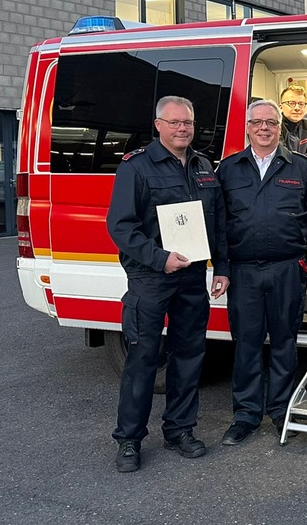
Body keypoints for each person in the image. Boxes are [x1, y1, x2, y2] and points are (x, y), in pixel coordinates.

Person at [106, 95, 230, 473]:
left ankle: (180, 430)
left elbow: (217, 222)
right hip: (151, 278)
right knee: (143, 360)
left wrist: (222, 267)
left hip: (192, 276)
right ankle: (129, 439)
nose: (182, 129)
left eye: (187, 122)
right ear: (158, 125)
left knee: (189, 357)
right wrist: (160, 258)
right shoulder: (137, 167)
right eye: (174, 122)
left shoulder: (203, 166)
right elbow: (121, 226)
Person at [216, 100, 307, 446]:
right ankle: (246, 415)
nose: (264, 128)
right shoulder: (229, 169)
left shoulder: (301, 166)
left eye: (271, 122)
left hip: (286, 269)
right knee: (246, 344)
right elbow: (218, 221)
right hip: (244, 272)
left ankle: (281, 410)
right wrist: (223, 266)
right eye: (257, 122)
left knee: (284, 342)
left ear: (280, 128)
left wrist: (293, 240)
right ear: (247, 128)